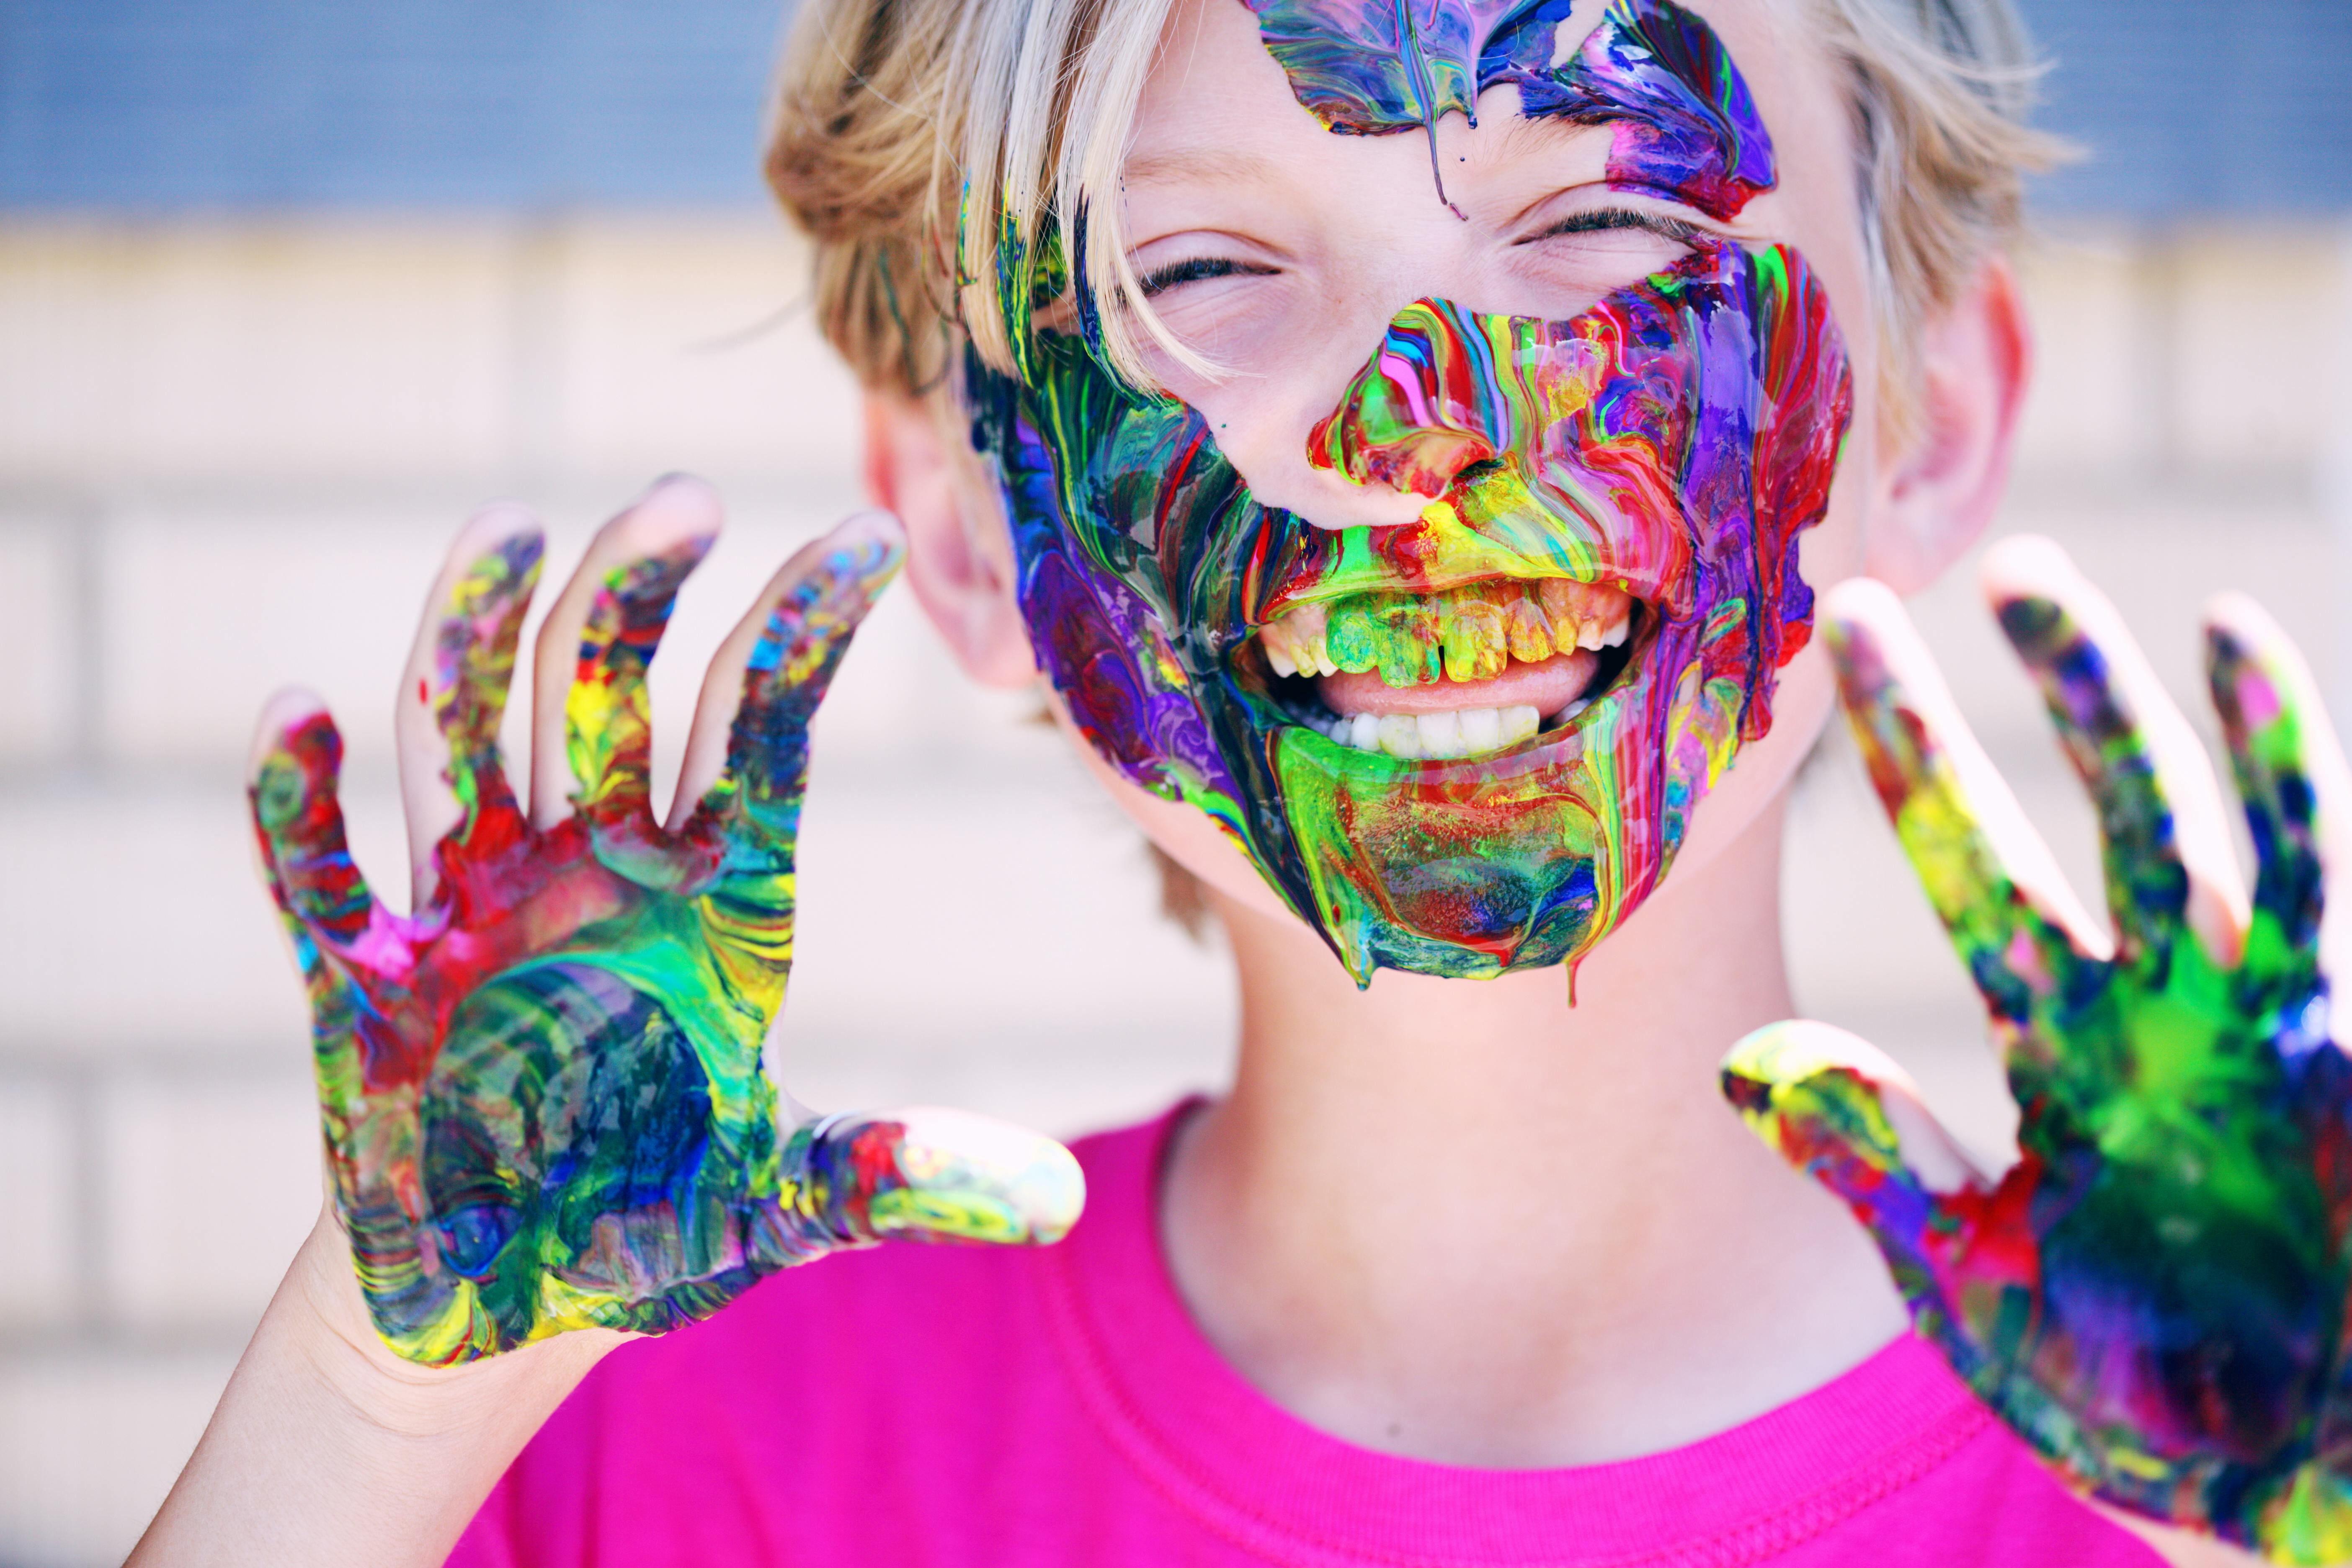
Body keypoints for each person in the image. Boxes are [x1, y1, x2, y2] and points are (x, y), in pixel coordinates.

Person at [126, 0, 2352, 1563]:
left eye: (1604, 224)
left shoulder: (2234, 1444)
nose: (1421, 430)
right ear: (974, 522)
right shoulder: (677, 1459)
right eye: (1202, 270)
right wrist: (371, 1406)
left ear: (1934, 418)